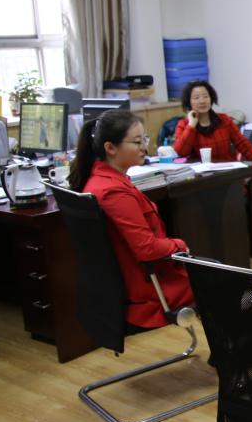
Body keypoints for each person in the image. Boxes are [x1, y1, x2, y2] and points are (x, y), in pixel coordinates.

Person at [68, 109, 194, 329]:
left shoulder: (103, 179)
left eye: (144, 139)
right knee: (228, 282)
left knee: (221, 275)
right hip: (151, 290)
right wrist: (179, 244)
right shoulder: (113, 192)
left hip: (143, 278)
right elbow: (147, 248)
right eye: (137, 142)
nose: (144, 147)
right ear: (110, 148)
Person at [173, 80, 252, 188]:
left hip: (228, 177)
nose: (202, 101)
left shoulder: (224, 120)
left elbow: (244, 145)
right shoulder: (184, 125)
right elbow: (181, 153)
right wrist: (192, 125)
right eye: (196, 98)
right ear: (188, 102)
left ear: (211, 98)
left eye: (205, 96)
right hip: (201, 181)